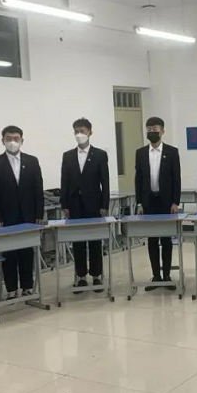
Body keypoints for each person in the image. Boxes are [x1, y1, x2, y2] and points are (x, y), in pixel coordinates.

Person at [0, 125, 44, 299]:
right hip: (6, 217)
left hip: (28, 216)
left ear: (22, 140)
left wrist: (39, 214)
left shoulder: (32, 161)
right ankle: (11, 289)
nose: (12, 142)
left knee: (27, 252)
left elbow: (38, 190)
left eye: (16, 139)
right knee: (9, 253)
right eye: (9, 139)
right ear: (2, 141)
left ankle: (27, 286)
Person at [60, 118, 110, 291]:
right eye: (76, 131)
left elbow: (105, 182)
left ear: (90, 132)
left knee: (95, 241)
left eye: (82, 131)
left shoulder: (100, 155)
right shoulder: (68, 156)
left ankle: (96, 275)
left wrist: (104, 204)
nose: (79, 134)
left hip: (94, 204)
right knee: (78, 242)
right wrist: (64, 205)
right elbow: (64, 182)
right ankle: (81, 276)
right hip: (74, 204)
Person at [135, 116, 181, 289]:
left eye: (154, 129)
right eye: (148, 129)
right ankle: (156, 275)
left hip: (166, 202)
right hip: (148, 202)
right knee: (152, 240)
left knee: (166, 239)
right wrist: (139, 203)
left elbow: (176, 179)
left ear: (162, 131)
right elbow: (138, 180)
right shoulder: (140, 152)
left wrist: (175, 202)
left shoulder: (172, 152)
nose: (151, 132)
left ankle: (167, 275)